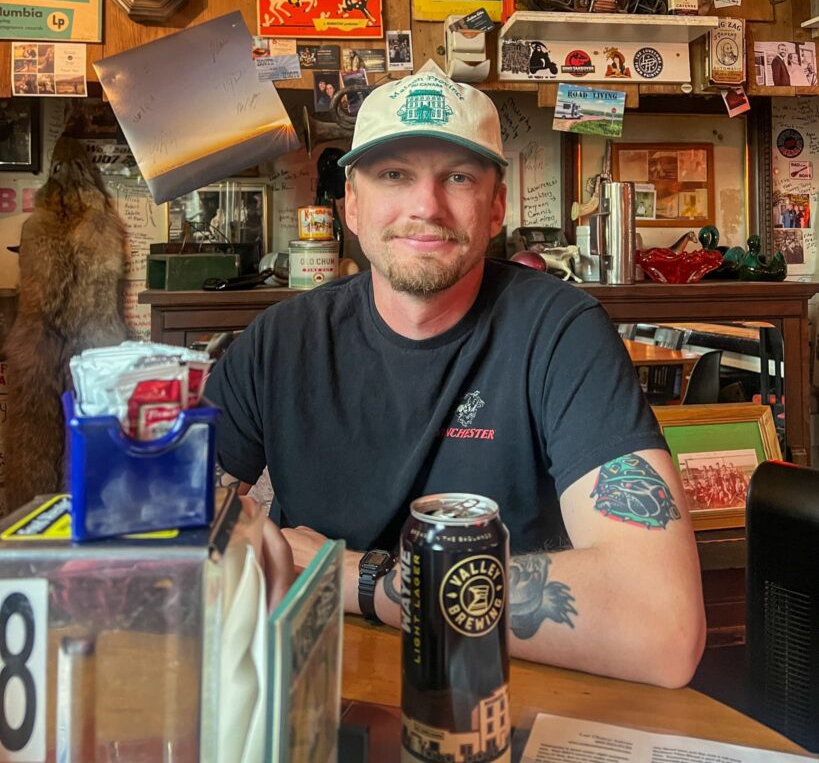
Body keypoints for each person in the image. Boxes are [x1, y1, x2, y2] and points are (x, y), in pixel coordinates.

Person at [206, 65, 705, 688]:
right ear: (351, 204)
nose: (426, 206)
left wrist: (355, 576)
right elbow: (176, 527)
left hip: (503, 689)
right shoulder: (279, 342)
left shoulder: (561, 332)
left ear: (496, 206)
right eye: (394, 175)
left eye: (458, 177)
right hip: (320, 687)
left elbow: (661, 624)